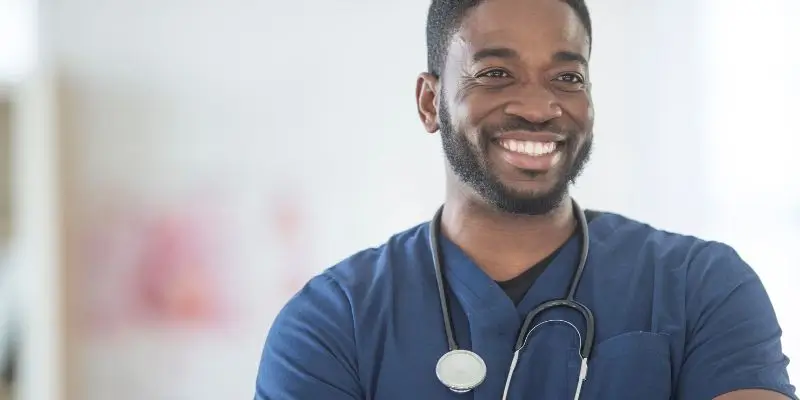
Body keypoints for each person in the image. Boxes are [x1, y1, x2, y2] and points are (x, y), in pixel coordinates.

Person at [254, 0, 797, 398]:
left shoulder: (701, 287)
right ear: (429, 101)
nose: (539, 106)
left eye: (567, 76)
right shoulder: (332, 322)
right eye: (495, 73)